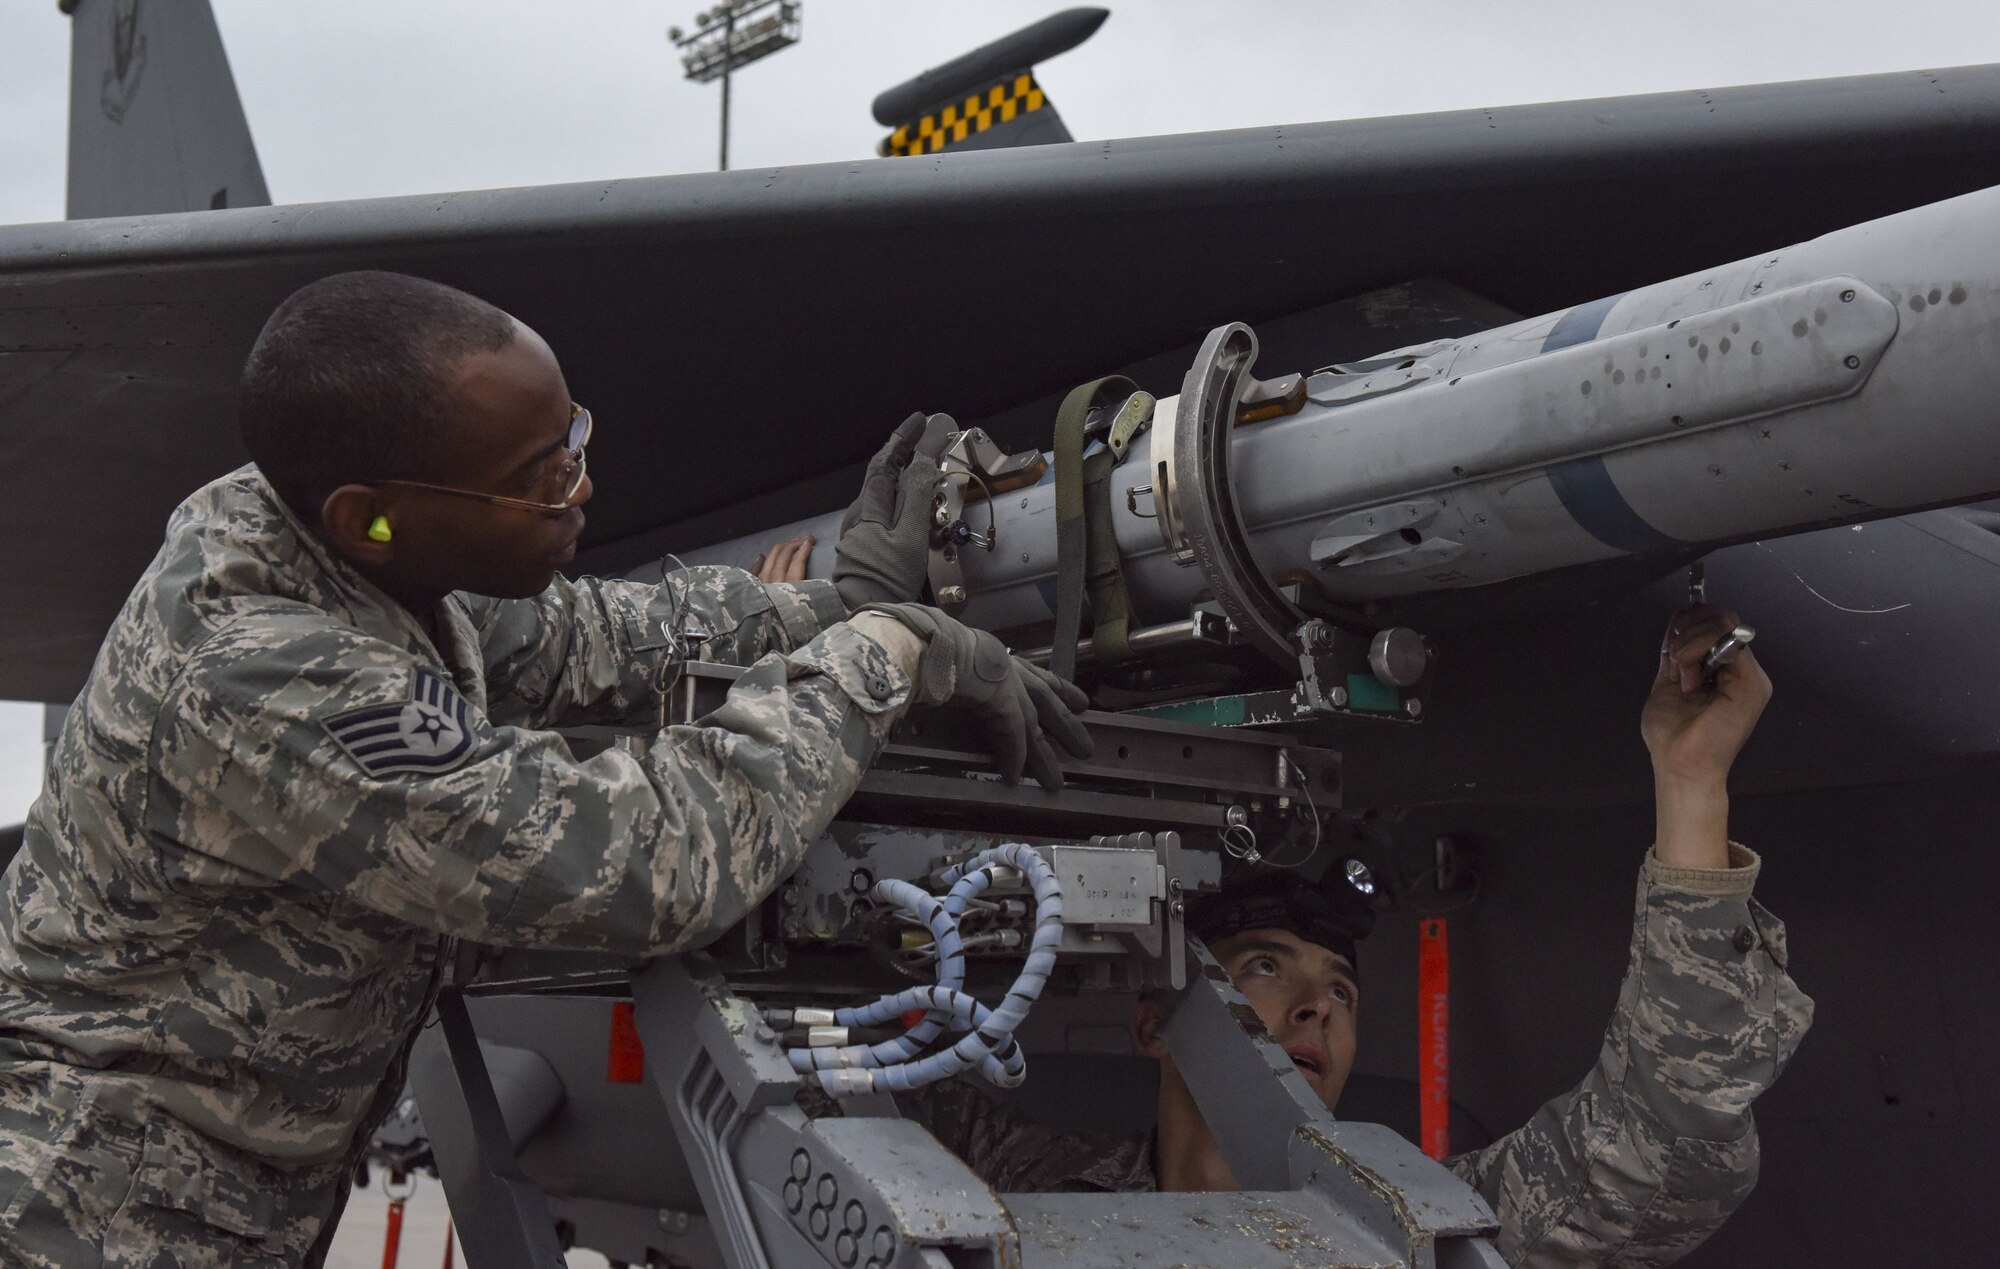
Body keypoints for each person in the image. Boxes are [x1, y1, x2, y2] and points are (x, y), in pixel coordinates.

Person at [0, 270, 1091, 1267]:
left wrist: (831, 603)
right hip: (95, 1216)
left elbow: (593, 636)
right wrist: (881, 657)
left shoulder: (354, 535)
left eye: (572, 439)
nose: (580, 491)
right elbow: (639, 864)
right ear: (369, 518)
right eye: (543, 475)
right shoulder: (267, 675)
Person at [904, 603, 1814, 1267]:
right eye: (1265, 967)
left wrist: (1692, 786)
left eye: (1341, 989)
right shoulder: (1013, 1178)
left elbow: (1661, 1151)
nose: (1315, 1011)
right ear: (1154, 1023)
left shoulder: (1412, 1226)